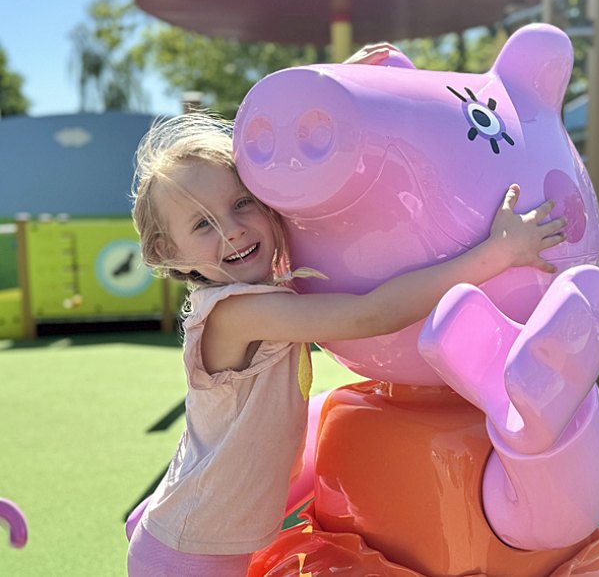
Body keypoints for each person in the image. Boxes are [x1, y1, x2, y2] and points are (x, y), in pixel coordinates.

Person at [125, 111, 566, 576]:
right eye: (202, 225)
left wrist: (329, 111)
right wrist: (494, 255)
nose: (232, 229)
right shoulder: (236, 313)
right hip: (187, 552)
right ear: (167, 252)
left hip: (209, 541)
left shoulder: (259, 294)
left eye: (241, 203)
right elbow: (372, 313)